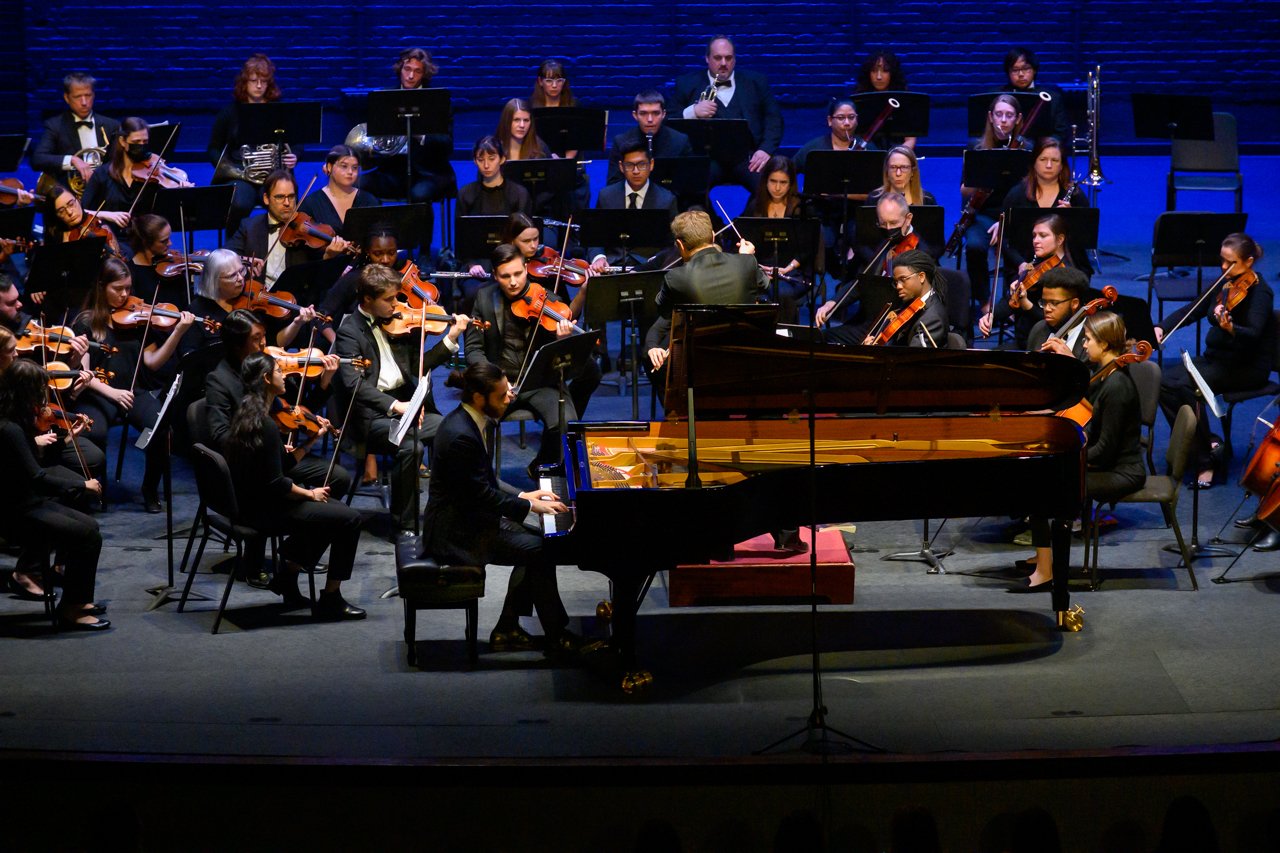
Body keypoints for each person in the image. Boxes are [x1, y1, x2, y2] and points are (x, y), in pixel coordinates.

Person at [421, 361, 585, 657]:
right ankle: (557, 635)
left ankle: (508, 628)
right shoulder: (461, 435)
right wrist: (528, 505)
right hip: (455, 534)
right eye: (502, 394)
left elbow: (487, 480)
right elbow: (479, 495)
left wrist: (525, 493)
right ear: (479, 398)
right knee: (541, 549)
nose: (510, 397)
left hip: (470, 518)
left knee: (538, 541)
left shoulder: (471, 421)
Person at [224, 351, 365, 620]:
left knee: (331, 514)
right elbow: (277, 483)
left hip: (254, 502)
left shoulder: (249, 412)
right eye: (279, 371)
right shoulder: (264, 424)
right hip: (262, 511)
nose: (285, 375)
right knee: (350, 519)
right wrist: (309, 493)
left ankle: (288, 575)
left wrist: (310, 442)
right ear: (267, 379)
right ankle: (330, 598)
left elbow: (282, 466)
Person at [335, 264, 469, 539]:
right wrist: (395, 406)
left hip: (406, 408)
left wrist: (452, 338)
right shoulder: (349, 331)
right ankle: (404, 526)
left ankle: (451, 512)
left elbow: (420, 366)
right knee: (411, 447)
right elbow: (353, 385)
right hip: (373, 417)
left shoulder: (398, 323)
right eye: (389, 299)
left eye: (396, 297)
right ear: (368, 300)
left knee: (453, 432)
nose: (397, 305)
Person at [1013, 312, 1144, 591]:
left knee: (1042, 488)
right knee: (1041, 481)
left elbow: (1106, 452)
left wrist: (1064, 460)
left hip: (1122, 472)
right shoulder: (1108, 376)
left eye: (1088, 340)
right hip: (1108, 464)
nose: (1084, 346)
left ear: (1106, 345)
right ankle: (1043, 558)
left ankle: (1046, 571)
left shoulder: (1117, 386)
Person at [72, 256, 194, 513]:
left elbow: (152, 362)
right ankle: (97, 490)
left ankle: (149, 488)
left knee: (161, 429)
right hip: (100, 393)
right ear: (101, 287)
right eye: (118, 289)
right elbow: (83, 373)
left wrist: (177, 333)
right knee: (95, 432)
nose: (125, 294)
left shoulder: (137, 319)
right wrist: (113, 394)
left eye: (128, 288)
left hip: (131, 392)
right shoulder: (86, 321)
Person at [466, 243, 601, 475]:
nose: (513, 282)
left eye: (518, 274)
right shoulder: (484, 298)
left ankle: (541, 466)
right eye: (505, 276)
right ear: (495, 276)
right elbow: (473, 350)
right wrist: (494, 379)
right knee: (476, 425)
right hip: (499, 382)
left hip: (538, 380)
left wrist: (561, 339)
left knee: (566, 422)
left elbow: (562, 357)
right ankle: (485, 484)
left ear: (526, 268)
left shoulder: (546, 296)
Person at [1156, 233, 1276, 490]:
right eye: (1222, 260)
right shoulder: (1224, 284)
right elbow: (1193, 309)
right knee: (1164, 383)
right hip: (1217, 360)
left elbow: (1253, 334)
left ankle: (1205, 461)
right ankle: (1206, 441)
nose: (1223, 267)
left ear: (1249, 261)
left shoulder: (1261, 293)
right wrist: (1162, 327)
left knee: (1187, 387)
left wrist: (1232, 329)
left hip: (1245, 366)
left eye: (1230, 263)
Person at [0, 359, 109, 630]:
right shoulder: (9, 428)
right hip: (15, 512)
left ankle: (78, 600)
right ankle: (72, 609)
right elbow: (37, 477)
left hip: (26, 501)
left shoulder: (16, 420)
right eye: (40, 389)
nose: (44, 395)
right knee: (87, 536)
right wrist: (82, 486)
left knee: (90, 526)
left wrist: (65, 439)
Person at [644, 210, 764, 389]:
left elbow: (662, 310)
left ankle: (676, 413)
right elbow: (765, 285)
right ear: (713, 236)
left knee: (652, 364)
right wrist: (746, 258)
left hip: (697, 360)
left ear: (680, 245)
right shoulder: (746, 262)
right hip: (744, 352)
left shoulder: (675, 277)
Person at [356, 48, 456, 259]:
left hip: (430, 173)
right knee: (360, 185)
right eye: (407, 69)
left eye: (417, 71)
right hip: (392, 171)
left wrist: (422, 135)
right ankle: (373, 244)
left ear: (424, 74)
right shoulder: (385, 97)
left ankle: (425, 253)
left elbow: (447, 144)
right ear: (400, 69)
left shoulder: (437, 100)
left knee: (420, 195)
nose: (410, 76)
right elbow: (374, 137)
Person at [673, 36, 783, 190]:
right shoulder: (686, 83)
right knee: (693, 188)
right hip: (707, 159)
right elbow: (669, 120)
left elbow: (774, 119)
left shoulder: (757, 82)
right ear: (707, 58)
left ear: (735, 59)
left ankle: (745, 215)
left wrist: (765, 150)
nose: (723, 63)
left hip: (748, 158)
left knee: (767, 189)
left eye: (728, 58)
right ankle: (710, 216)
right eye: (718, 58)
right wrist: (693, 111)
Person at [816, 192, 929, 342]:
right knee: (822, 338)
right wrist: (833, 302)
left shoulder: (920, 252)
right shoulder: (885, 244)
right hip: (870, 323)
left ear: (908, 219)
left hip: (896, 327)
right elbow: (862, 282)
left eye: (894, 223)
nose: (888, 229)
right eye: (883, 224)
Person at [207, 54, 298, 236]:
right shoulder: (230, 112)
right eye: (253, 80)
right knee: (240, 203)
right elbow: (213, 148)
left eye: (263, 81)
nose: (258, 86)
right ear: (244, 82)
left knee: (284, 203)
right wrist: (230, 169)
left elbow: (296, 142)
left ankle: (281, 245)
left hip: (274, 173)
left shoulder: (278, 110)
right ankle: (234, 248)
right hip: (241, 175)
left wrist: (294, 155)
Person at [228, 170, 351, 291]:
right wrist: (246, 261)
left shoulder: (305, 231)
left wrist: (329, 256)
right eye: (280, 197)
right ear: (266, 198)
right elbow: (225, 257)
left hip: (297, 301)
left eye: (291, 197)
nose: (287, 203)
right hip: (257, 299)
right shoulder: (249, 226)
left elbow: (319, 279)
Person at [960, 94, 1030, 307]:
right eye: (999, 114)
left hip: (1015, 216)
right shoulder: (977, 147)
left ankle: (1009, 304)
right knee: (974, 246)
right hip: (982, 214)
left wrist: (1005, 221)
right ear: (990, 117)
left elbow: (1030, 191)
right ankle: (984, 303)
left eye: (1009, 115)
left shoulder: (1026, 148)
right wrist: (986, 174)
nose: (1003, 120)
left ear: (1018, 119)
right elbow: (964, 190)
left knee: (1016, 248)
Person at [81, 117, 191, 236]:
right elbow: (82, 211)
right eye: (136, 142)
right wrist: (107, 215)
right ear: (123, 141)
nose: (141, 146)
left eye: (145, 142)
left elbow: (164, 214)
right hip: (111, 239)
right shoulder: (102, 174)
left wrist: (181, 194)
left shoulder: (152, 176)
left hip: (145, 240)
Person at [978, 213, 1076, 346]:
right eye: (1034, 235)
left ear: (1060, 239)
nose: (1035, 240)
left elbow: (1056, 323)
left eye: (1043, 235)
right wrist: (991, 316)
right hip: (1023, 339)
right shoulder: (1036, 264)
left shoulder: (1066, 276)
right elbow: (1012, 301)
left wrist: (1027, 305)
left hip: (1045, 344)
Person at [588, 141, 679, 273]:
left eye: (642, 165)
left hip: (649, 269)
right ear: (621, 166)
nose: (636, 171)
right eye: (630, 165)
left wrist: (657, 260)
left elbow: (673, 244)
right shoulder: (606, 196)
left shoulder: (667, 200)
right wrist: (599, 257)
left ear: (651, 164)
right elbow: (595, 236)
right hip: (611, 266)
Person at [740, 154, 807, 322]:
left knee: (782, 292)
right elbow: (744, 240)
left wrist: (787, 268)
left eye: (783, 182)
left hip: (791, 271)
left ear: (791, 183)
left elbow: (808, 248)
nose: (777, 188)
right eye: (773, 181)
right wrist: (758, 268)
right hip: (760, 270)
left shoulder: (800, 208)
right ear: (765, 181)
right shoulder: (755, 206)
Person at [29, 72, 120, 196]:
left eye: (88, 95)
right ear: (67, 98)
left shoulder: (111, 125)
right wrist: (72, 160)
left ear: (94, 95)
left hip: (104, 197)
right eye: (77, 97)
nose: (84, 102)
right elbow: (38, 159)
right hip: (69, 199)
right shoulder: (55, 126)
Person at [605, 90, 693, 186]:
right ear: (635, 115)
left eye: (655, 113)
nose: (650, 119)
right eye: (643, 113)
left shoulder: (680, 141)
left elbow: (688, 182)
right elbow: (613, 184)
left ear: (663, 114)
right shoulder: (621, 142)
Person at [862, 249, 948, 348]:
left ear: (921, 277)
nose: (898, 286)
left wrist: (875, 353)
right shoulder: (911, 302)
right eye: (896, 282)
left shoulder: (932, 319)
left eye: (903, 279)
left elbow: (910, 359)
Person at [298, 144, 381, 236]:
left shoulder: (369, 201)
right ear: (329, 167)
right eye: (344, 166)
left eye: (354, 168)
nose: (350, 172)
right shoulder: (311, 203)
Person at [1001, 46, 1071, 142]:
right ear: (1008, 73)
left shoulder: (1053, 97)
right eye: (1015, 70)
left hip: (1043, 151)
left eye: (1026, 69)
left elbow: (1061, 132)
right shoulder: (998, 96)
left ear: (1034, 70)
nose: (1021, 74)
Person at [853, 49, 917, 150]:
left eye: (885, 71)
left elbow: (910, 140)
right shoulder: (858, 100)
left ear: (893, 73)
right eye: (874, 71)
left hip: (897, 154)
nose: (878, 77)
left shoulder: (904, 100)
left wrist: (897, 156)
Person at [455, 135, 532, 218]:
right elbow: (461, 229)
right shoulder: (465, 194)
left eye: (491, 159)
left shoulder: (519, 194)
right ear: (475, 161)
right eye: (480, 160)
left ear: (502, 159)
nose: (486, 165)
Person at [794, 98, 874, 175]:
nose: (847, 123)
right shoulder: (813, 148)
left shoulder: (869, 148)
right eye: (841, 118)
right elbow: (788, 171)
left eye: (851, 117)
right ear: (830, 121)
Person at [1024, 266, 1091, 360]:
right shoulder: (1038, 329)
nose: (1047, 309)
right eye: (1044, 302)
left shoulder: (1094, 337)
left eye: (1054, 303)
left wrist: (1071, 360)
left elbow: (1093, 374)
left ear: (1074, 303)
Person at [127, 213, 188, 309]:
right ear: (146, 242)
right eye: (164, 241)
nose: (170, 243)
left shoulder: (174, 269)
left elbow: (183, 301)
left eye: (169, 238)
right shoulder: (131, 272)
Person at [867, 145, 936, 208]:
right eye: (893, 167)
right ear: (887, 171)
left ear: (912, 171)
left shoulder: (927, 200)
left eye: (904, 167)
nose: (898, 173)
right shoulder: (874, 200)